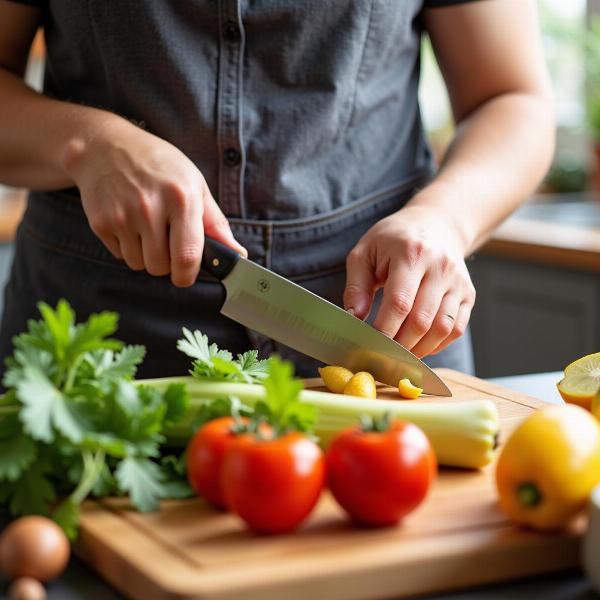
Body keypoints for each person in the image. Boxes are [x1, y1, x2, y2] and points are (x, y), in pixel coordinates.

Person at [0, 0, 554, 381]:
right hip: (97, 342)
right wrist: (90, 144)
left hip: (383, 334)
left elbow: (512, 100)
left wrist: (445, 219)